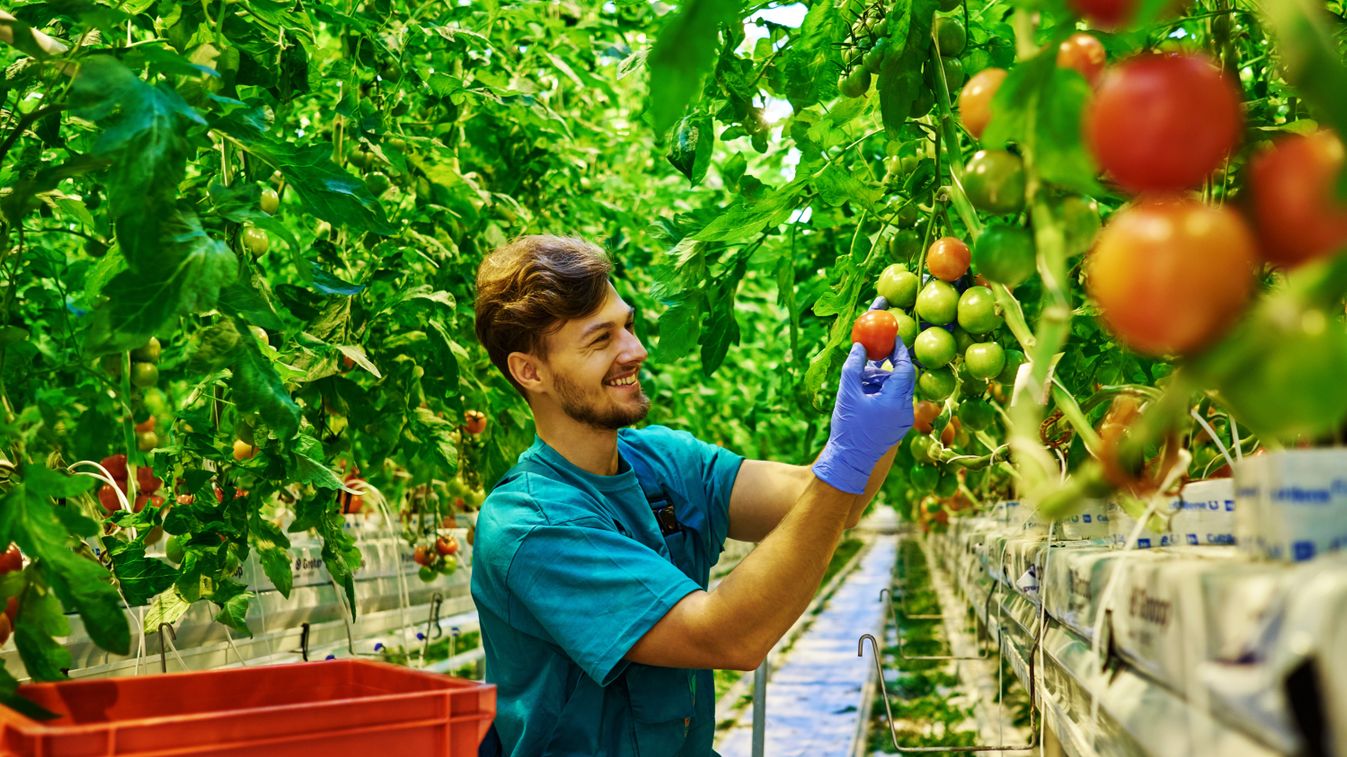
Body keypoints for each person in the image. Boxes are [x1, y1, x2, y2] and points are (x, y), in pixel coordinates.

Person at [470, 235, 914, 755]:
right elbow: (726, 637)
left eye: (628, 326)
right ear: (530, 371)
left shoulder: (664, 461)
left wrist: (888, 382)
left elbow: (830, 503)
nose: (635, 351)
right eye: (601, 340)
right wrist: (850, 456)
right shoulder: (529, 524)